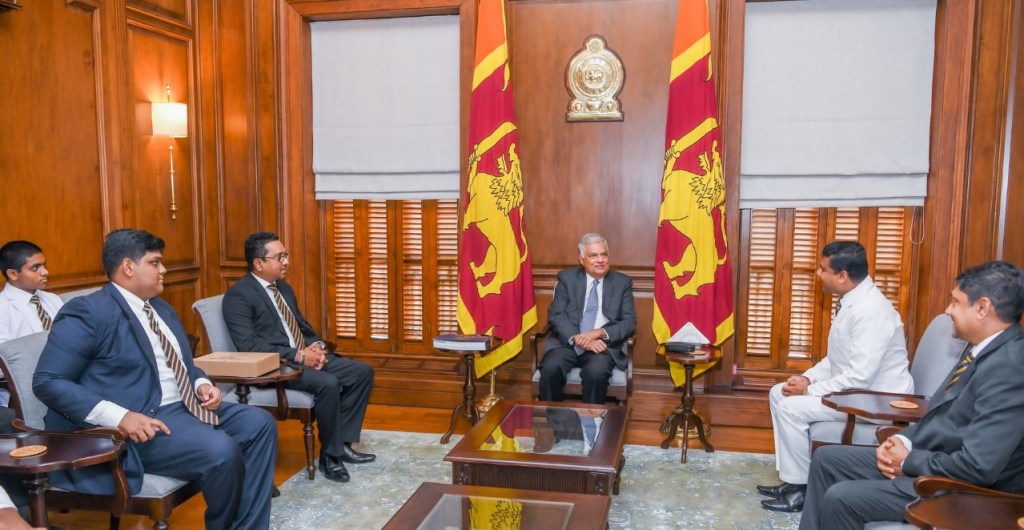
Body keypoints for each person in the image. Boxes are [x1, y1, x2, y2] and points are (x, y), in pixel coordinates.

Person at [32, 229, 277, 530]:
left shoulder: (160, 308)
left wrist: (201, 384)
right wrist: (121, 417)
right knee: (221, 451)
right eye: (155, 262)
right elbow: (48, 380)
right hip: (139, 424)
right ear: (128, 267)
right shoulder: (87, 312)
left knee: (259, 424)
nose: (164, 270)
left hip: (184, 406)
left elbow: (182, 364)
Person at [797, 260, 1024, 530]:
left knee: (842, 498)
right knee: (827, 459)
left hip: (961, 489)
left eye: (955, 302)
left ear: (983, 308)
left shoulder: (1010, 369)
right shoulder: (981, 349)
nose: (947, 309)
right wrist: (902, 440)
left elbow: (978, 466)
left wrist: (906, 461)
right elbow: (939, 414)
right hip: (934, 459)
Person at [759, 241, 914, 513]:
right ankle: (793, 480)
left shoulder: (872, 311)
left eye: (822, 269)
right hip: (856, 391)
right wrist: (807, 380)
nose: (817, 274)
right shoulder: (853, 300)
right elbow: (837, 359)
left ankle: (803, 491)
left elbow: (859, 377)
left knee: (790, 408)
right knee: (779, 392)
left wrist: (807, 392)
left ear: (842, 276)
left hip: (876, 401)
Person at [222, 231, 375, 483]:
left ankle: (342, 444)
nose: (286, 262)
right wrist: (299, 356)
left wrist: (316, 347)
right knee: (328, 384)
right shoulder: (239, 296)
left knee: (361, 373)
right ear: (258, 263)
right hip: (277, 367)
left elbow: (301, 326)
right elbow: (248, 345)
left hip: (302, 356)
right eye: (280, 257)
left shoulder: (283, 287)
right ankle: (330, 457)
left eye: (286, 255)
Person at [538, 233, 636, 404]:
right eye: (593, 255)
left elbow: (629, 323)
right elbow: (556, 315)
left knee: (596, 373)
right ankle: (553, 423)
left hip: (601, 346)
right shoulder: (567, 279)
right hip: (567, 343)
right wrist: (580, 338)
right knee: (551, 368)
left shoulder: (622, 283)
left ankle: (592, 426)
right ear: (581, 260)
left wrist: (598, 333)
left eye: (604, 254)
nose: (600, 260)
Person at [0, 240, 63, 345]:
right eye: (35, 268)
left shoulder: (52, 298)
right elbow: (4, 356)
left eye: (44, 265)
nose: (45, 272)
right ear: (13, 274)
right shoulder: (2, 308)